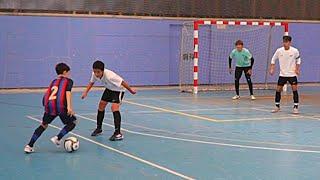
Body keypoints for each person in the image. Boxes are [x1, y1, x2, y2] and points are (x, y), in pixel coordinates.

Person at [24, 63, 77, 153]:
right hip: (61, 106)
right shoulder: (69, 81)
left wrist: (46, 105)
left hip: (49, 105)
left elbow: (47, 93)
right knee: (73, 122)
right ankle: (58, 138)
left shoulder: (53, 81)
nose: (69, 74)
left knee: (43, 125)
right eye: (68, 72)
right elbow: (68, 92)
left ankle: (29, 145)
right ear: (64, 72)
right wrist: (69, 107)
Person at [81, 60, 136, 141]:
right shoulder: (94, 74)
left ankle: (118, 133)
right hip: (109, 89)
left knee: (114, 108)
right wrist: (86, 92)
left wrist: (131, 91)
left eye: (98, 72)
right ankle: (99, 129)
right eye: (94, 71)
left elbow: (123, 82)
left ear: (103, 71)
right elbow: (91, 82)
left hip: (118, 90)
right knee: (101, 105)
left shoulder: (110, 76)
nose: (96, 74)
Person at [269, 35, 301, 114]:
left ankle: (296, 107)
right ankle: (277, 106)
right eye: (284, 42)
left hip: (292, 75)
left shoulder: (295, 51)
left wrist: (297, 69)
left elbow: (298, 59)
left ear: (289, 42)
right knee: (278, 90)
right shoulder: (279, 51)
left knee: (294, 90)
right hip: (282, 75)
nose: (284, 44)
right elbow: (273, 59)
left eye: (286, 42)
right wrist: (272, 68)